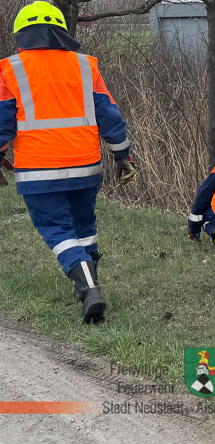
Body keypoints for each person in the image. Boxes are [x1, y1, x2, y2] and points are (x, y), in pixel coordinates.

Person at [0, 1, 136, 324]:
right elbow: (109, 115)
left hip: (38, 170)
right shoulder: (85, 66)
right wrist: (122, 154)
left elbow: (3, 122)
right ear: (61, 33)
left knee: (56, 229)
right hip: (86, 167)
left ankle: (89, 289)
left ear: (21, 36)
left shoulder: (9, 69)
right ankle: (90, 283)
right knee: (84, 225)